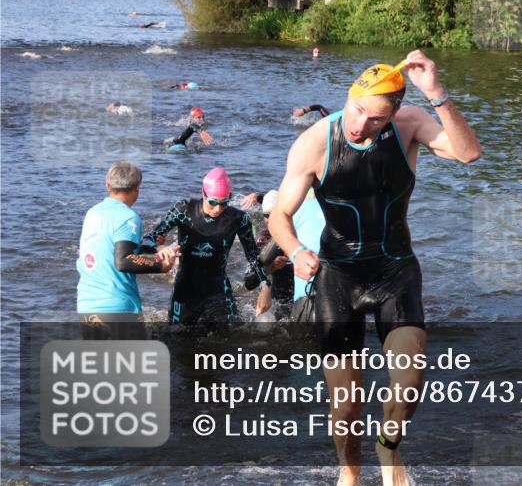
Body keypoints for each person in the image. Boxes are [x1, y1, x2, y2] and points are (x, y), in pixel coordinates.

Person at [268, 49, 481, 486]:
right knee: (345, 404)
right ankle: (349, 472)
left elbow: (468, 153)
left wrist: (437, 93)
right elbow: (279, 216)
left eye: (375, 119)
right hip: (338, 276)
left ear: (394, 114)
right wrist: (294, 251)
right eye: (357, 109)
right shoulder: (313, 143)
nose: (360, 125)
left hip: (395, 270)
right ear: (349, 96)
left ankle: (388, 449)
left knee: (407, 388)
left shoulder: (409, 126)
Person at [143, 167, 268, 324]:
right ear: (203, 194)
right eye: (213, 202)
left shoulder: (239, 219)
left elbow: (252, 256)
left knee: (233, 337)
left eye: (224, 203)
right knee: (175, 338)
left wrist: (265, 286)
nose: (218, 209)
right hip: (185, 288)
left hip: (218, 288)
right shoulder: (184, 210)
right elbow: (147, 240)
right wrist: (160, 248)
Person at [76, 162, 178, 338]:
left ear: (107, 184)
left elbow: (108, 250)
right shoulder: (128, 217)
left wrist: (152, 247)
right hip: (117, 307)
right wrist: (160, 266)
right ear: (137, 189)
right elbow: (124, 260)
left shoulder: (92, 213)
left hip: (87, 305)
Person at [243, 190, 294, 319]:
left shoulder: (300, 230)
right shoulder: (263, 240)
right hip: (279, 299)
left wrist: (258, 196)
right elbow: (249, 282)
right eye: (266, 215)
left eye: (275, 214)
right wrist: (272, 267)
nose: (271, 219)